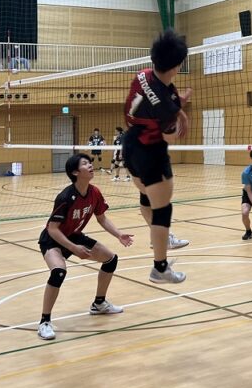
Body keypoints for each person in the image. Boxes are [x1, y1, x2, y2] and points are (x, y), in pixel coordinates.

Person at [37, 153, 134, 340]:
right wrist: (74, 248)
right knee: (58, 272)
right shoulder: (65, 197)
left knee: (111, 259)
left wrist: (118, 234)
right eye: (85, 163)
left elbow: (102, 218)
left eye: (90, 162)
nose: (90, 165)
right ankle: (44, 322)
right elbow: (52, 229)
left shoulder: (94, 192)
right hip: (52, 240)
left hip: (74, 236)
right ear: (75, 172)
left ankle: (99, 304)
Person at [123, 29, 192, 284]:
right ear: (176, 66)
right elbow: (169, 137)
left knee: (146, 195)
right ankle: (160, 267)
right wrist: (176, 117)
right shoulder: (165, 106)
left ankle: (159, 237)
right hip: (150, 151)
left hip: (130, 144)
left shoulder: (142, 74)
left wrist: (178, 109)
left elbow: (161, 96)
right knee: (163, 208)